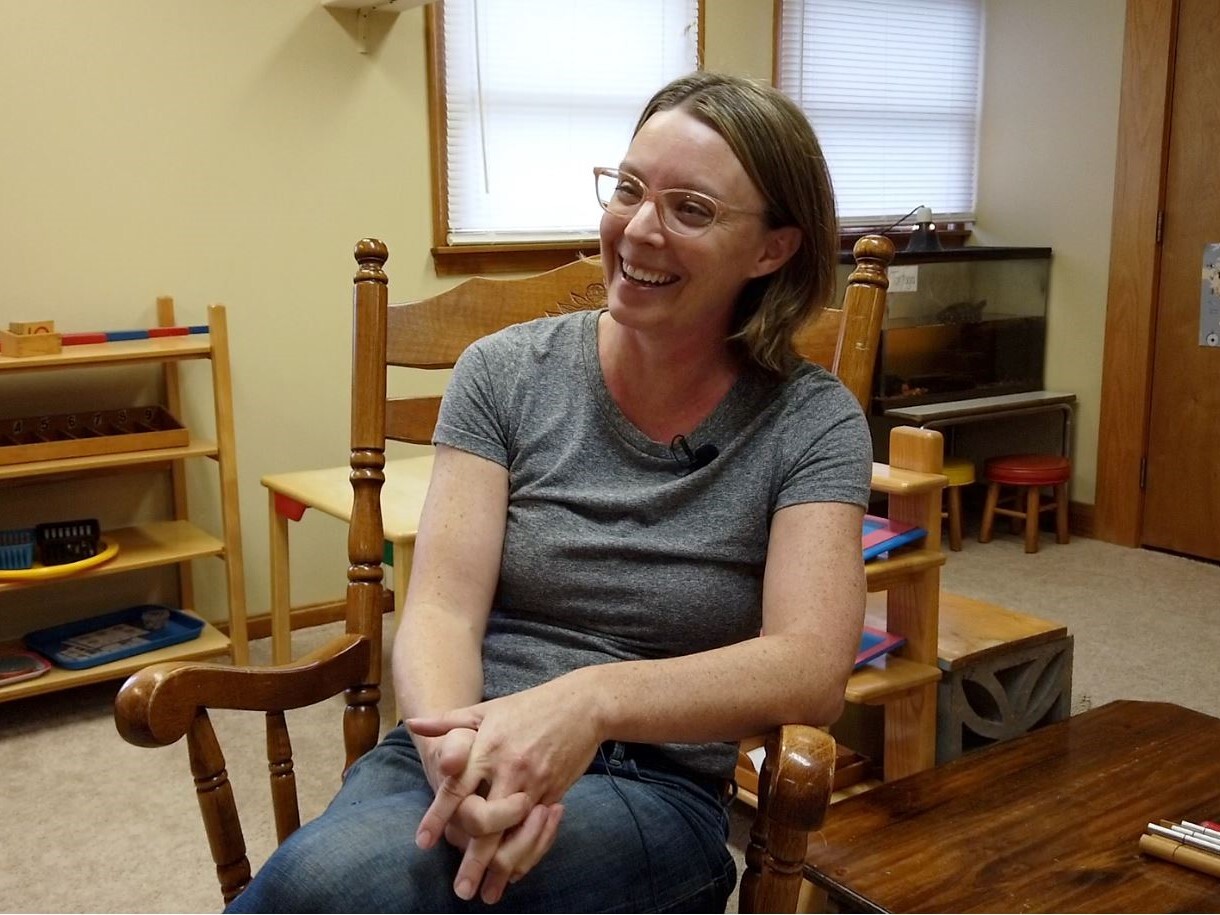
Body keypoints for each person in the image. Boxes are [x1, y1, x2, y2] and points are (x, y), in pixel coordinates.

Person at [227, 70, 871, 914]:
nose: (640, 229)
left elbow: (812, 666)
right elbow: (442, 612)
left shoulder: (812, 421)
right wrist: (464, 762)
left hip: (650, 779)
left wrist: (591, 703)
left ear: (772, 248)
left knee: (342, 892)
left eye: (691, 208)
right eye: (630, 189)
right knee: (324, 885)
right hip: (454, 739)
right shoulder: (502, 374)